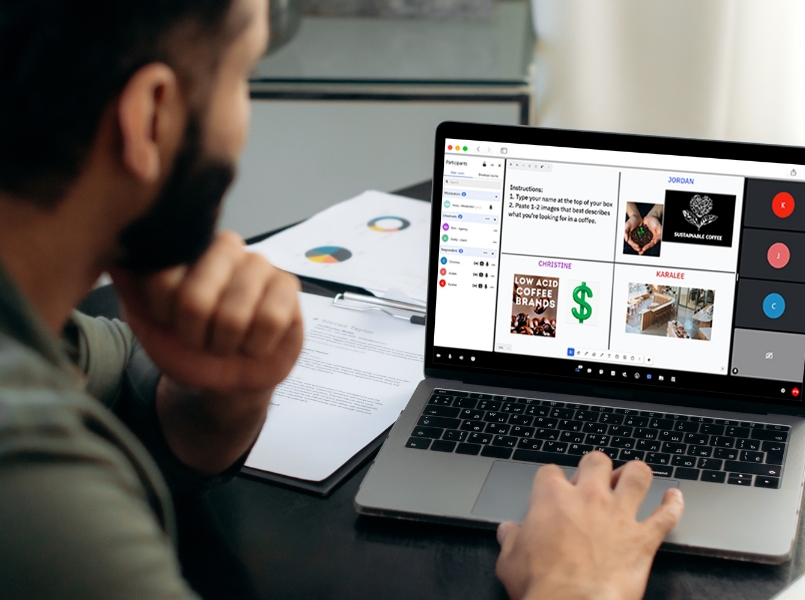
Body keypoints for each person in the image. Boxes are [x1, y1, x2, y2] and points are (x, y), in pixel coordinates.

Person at [0, 1, 684, 598]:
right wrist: (577, 584)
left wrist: (219, 398)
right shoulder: (34, 491)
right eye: (243, 75)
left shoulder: (33, 330)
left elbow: (107, 375)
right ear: (151, 116)